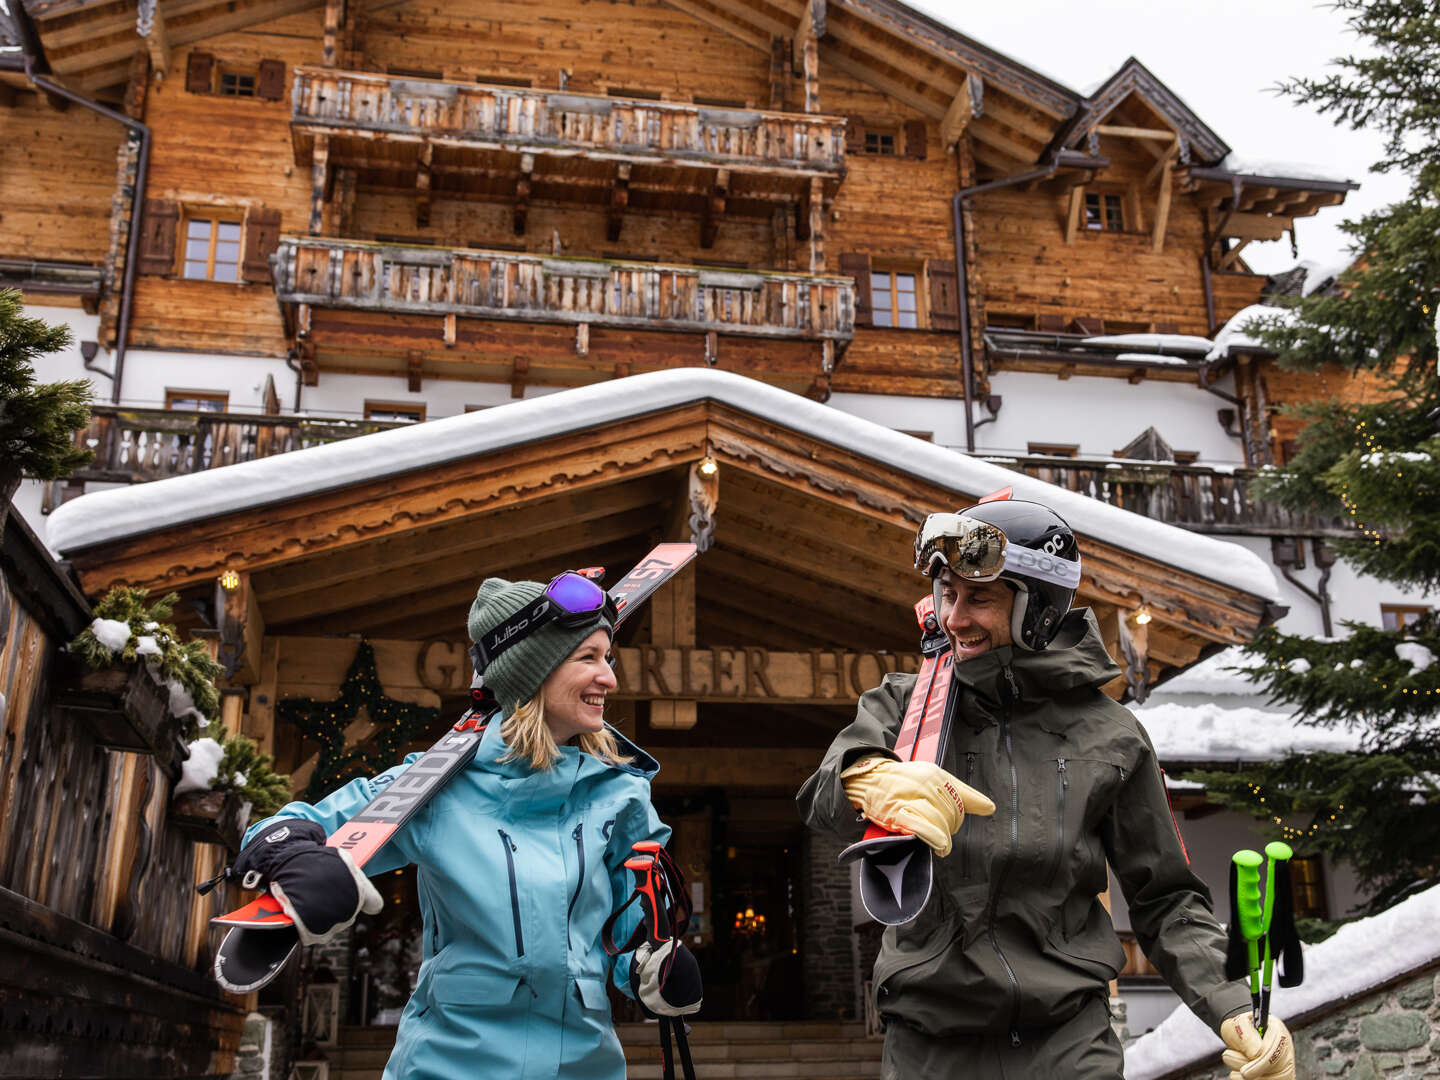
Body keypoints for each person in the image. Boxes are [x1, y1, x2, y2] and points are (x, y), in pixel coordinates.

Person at [797, 497, 1294, 1080]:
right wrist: (863, 775)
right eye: (947, 595)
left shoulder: (1111, 735)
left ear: (1039, 608)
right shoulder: (907, 706)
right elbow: (820, 798)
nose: (954, 618)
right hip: (931, 1041)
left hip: (1068, 1040)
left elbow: (1167, 897)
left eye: (979, 597)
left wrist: (1232, 1004)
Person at [229, 573, 702, 1079]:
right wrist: (298, 861)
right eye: (588, 658)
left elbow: (628, 935)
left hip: (586, 1066)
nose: (609, 678)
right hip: (450, 1064)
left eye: (607, 659)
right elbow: (280, 830)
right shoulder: (435, 785)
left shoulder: (619, 796)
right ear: (531, 671)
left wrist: (650, 969)